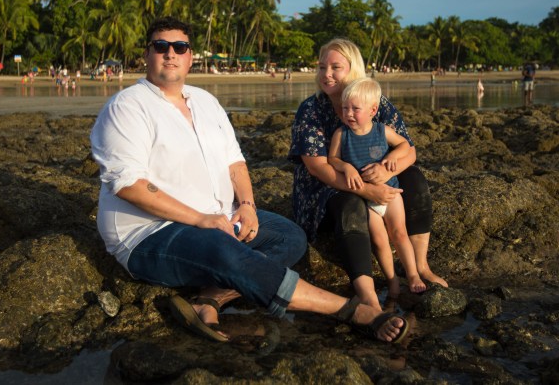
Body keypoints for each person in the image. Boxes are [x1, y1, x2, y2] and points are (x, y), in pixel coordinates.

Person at [90, 18, 408, 344]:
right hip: (150, 233)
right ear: (147, 54)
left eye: (179, 47)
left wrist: (247, 205)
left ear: (189, 56)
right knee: (223, 249)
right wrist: (200, 219)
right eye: (161, 46)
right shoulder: (127, 107)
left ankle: (210, 298)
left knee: (290, 237)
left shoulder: (205, 102)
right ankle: (354, 311)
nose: (170, 54)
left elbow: (235, 161)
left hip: (218, 218)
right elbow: (127, 184)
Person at [289, 38, 447, 311]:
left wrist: (386, 172)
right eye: (322, 67)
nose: (326, 74)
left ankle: (420, 267)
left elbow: (408, 151)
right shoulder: (312, 109)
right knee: (351, 204)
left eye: (335, 67)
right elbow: (318, 166)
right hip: (325, 188)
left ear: (353, 69)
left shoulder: (375, 101)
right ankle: (368, 294)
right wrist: (366, 190)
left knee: (415, 179)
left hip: (374, 176)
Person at [327, 78, 426, 297]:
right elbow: (332, 159)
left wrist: (392, 157)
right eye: (345, 108)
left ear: (373, 110)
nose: (349, 114)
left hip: (390, 192)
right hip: (365, 199)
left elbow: (405, 145)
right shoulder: (341, 134)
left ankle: (413, 275)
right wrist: (347, 168)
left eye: (355, 109)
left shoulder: (382, 131)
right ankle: (392, 280)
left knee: (399, 233)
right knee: (380, 240)